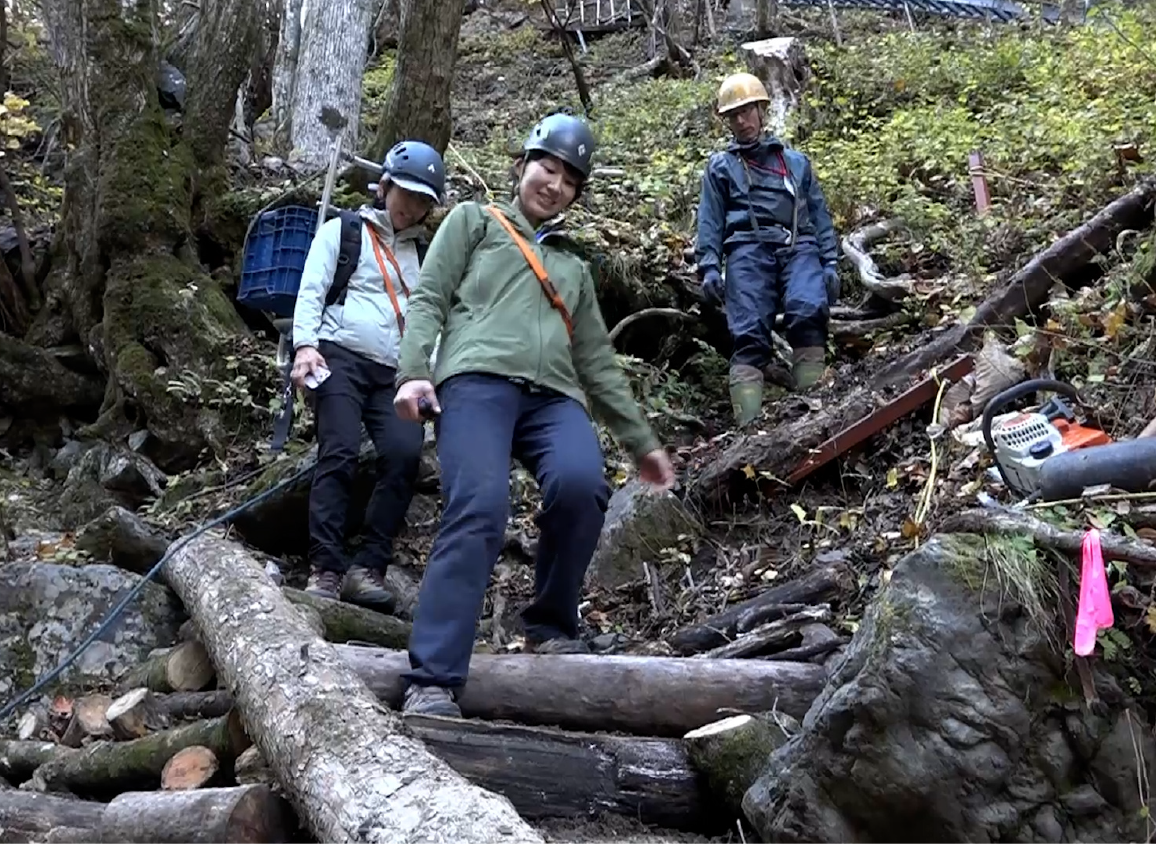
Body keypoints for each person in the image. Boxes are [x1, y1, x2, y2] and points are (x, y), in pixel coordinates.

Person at [390, 113, 677, 718]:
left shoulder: (573, 266)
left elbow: (596, 361)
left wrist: (640, 441)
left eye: (570, 180)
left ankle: (550, 625)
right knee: (480, 507)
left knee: (581, 486)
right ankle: (433, 677)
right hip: (476, 381)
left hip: (554, 397)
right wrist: (414, 370)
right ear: (522, 166)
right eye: (548, 168)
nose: (555, 185)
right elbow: (430, 296)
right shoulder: (474, 221)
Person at [288, 140, 447, 614]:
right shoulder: (344, 230)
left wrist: (431, 375)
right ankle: (325, 569)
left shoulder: (426, 256)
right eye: (405, 193)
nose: (410, 206)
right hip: (338, 356)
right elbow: (312, 288)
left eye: (421, 200)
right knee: (338, 450)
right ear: (384, 187)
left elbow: (432, 318)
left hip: (398, 372)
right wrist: (305, 345)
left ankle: (369, 567)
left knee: (403, 454)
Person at [694, 71, 841, 427]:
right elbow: (710, 220)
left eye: (746, 111)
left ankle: (816, 415)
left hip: (797, 244)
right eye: (733, 116)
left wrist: (830, 262)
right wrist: (709, 265)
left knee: (808, 310)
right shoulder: (721, 167)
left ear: (761, 110)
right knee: (747, 333)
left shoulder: (795, 163)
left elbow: (818, 215)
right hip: (746, 249)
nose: (741, 121)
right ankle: (749, 431)